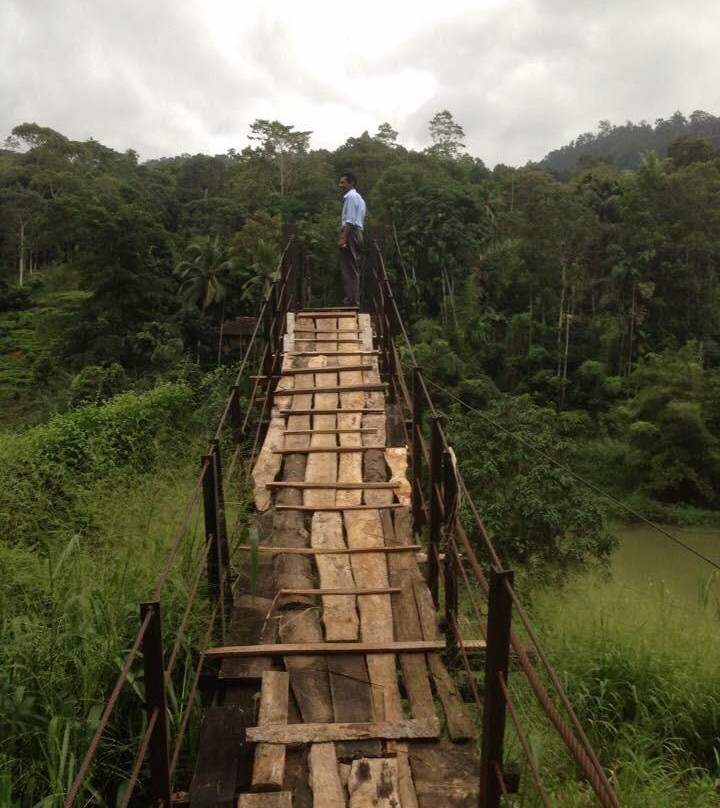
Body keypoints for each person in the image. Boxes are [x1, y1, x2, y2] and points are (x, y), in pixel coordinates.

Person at [338, 171, 366, 306]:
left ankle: (351, 301)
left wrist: (344, 238)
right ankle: (354, 300)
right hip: (358, 233)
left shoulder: (350, 197)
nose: (340, 185)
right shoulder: (360, 198)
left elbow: (350, 220)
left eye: (343, 182)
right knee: (354, 267)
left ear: (351, 183)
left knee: (349, 268)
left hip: (351, 233)